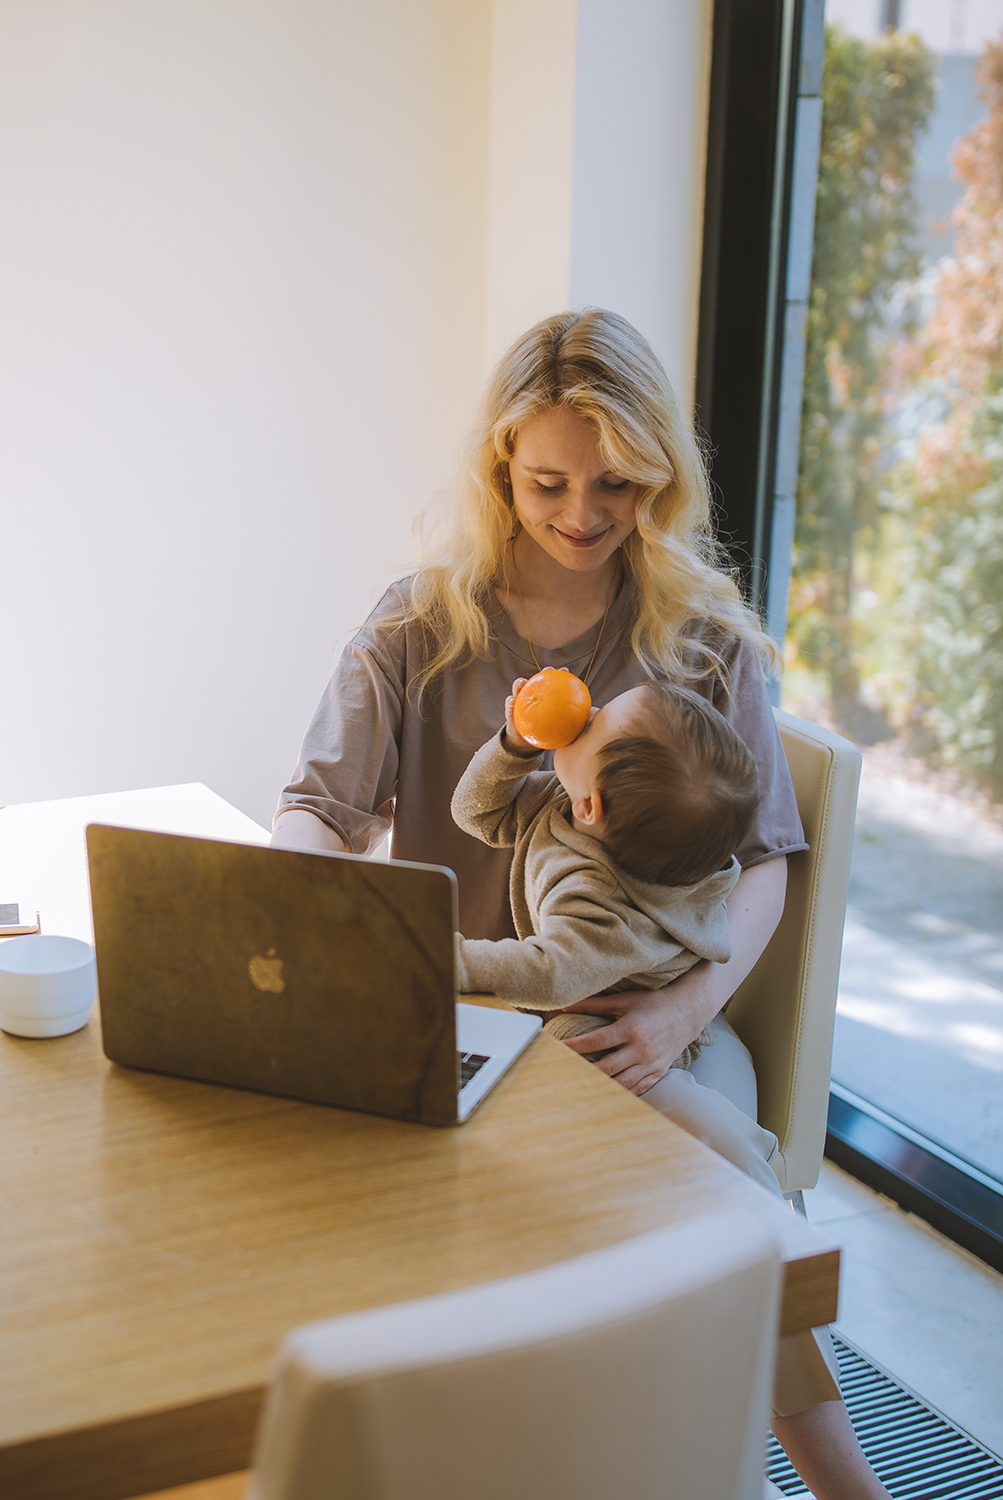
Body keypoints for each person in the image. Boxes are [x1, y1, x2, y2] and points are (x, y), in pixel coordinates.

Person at [273, 308, 892, 1500]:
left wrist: (680, 1014)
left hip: (639, 1027)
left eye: (616, 483)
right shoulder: (418, 624)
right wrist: (309, 899)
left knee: (724, 1200)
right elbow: (318, 806)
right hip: (460, 1017)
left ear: (659, 475)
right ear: (500, 465)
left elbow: (765, 860)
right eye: (549, 482)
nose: (582, 514)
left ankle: (831, 1480)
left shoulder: (699, 640)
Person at [450, 679, 757, 1068]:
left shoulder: (600, 903)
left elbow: (550, 972)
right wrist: (515, 747)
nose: (588, 712)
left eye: (595, 724)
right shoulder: (570, 802)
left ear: (590, 807)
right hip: (579, 988)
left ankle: (682, 1100)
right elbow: (477, 812)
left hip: (623, 1019)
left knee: (573, 1042)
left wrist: (445, 959)